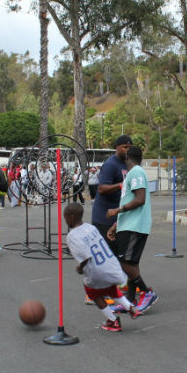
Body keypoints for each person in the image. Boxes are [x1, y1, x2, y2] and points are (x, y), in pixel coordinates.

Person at [64, 202, 144, 332]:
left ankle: (112, 321)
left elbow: (85, 257)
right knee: (111, 288)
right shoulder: (91, 227)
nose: (65, 220)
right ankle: (130, 308)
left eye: (65, 217)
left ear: (71, 217)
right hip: (110, 265)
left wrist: (80, 268)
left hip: (97, 270)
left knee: (93, 293)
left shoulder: (72, 236)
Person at [107, 145, 158, 312]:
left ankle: (146, 293)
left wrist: (117, 211)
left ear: (127, 157)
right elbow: (129, 199)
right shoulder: (133, 174)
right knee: (131, 263)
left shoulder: (136, 172)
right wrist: (116, 224)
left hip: (134, 226)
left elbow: (140, 199)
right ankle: (129, 302)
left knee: (123, 262)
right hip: (128, 224)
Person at [91, 135, 132, 254]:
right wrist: (121, 184)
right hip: (104, 219)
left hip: (118, 219)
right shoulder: (110, 164)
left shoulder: (128, 164)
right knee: (108, 258)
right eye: (125, 147)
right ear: (117, 148)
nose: (128, 150)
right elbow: (102, 189)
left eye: (130, 147)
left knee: (120, 256)